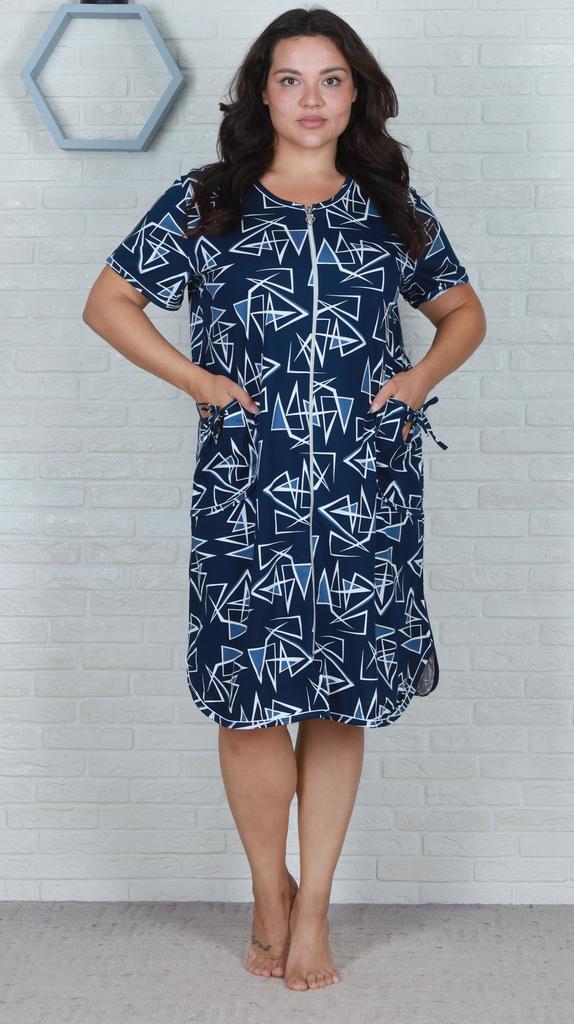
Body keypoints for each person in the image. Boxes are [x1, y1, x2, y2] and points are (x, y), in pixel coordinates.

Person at [83, 6, 486, 994]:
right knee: (247, 699)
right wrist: (200, 383)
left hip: (365, 484)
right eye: (291, 79)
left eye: (331, 79)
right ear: (260, 94)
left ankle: (314, 911)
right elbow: (109, 301)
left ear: (356, 96)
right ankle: (270, 890)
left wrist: (417, 379)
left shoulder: (390, 207)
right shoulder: (207, 201)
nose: (312, 98)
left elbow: (463, 312)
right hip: (246, 487)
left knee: (340, 701)